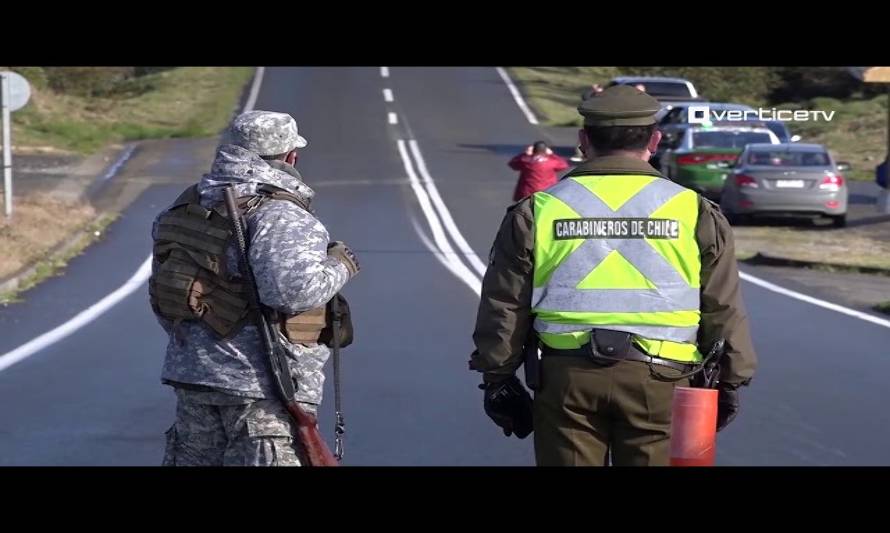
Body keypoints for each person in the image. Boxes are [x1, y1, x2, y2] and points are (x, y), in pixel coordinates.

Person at [470, 85, 757, 466]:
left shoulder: (536, 211)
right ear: (654, 140)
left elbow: (505, 303)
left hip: (566, 379)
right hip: (663, 380)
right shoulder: (696, 211)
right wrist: (731, 380)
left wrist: (497, 378)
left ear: (583, 141)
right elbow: (722, 305)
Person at [150, 110, 360, 466]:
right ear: (291, 157)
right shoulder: (280, 213)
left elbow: (165, 296)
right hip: (264, 389)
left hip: (196, 377)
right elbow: (293, 292)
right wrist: (341, 266)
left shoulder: (189, 204)